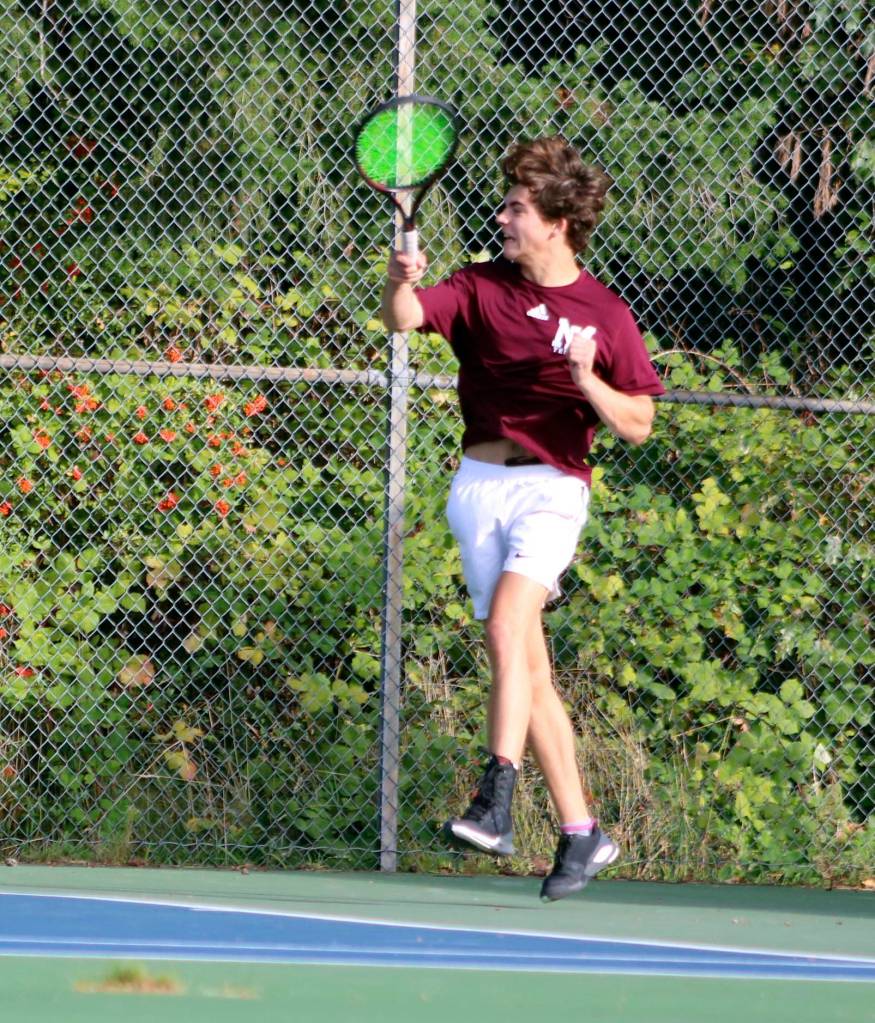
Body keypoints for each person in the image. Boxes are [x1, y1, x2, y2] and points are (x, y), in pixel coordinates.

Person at [381, 136, 665, 901]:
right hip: (477, 487)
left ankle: (494, 798)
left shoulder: (603, 312)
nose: (503, 216)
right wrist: (398, 274)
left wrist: (584, 381)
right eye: (506, 205)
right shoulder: (478, 286)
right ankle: (581, 831)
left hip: (552, 486)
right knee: (527, 670)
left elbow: (636, 421)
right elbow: (403, 318)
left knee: (509, 626)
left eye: (516, 207)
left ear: (557, 223)